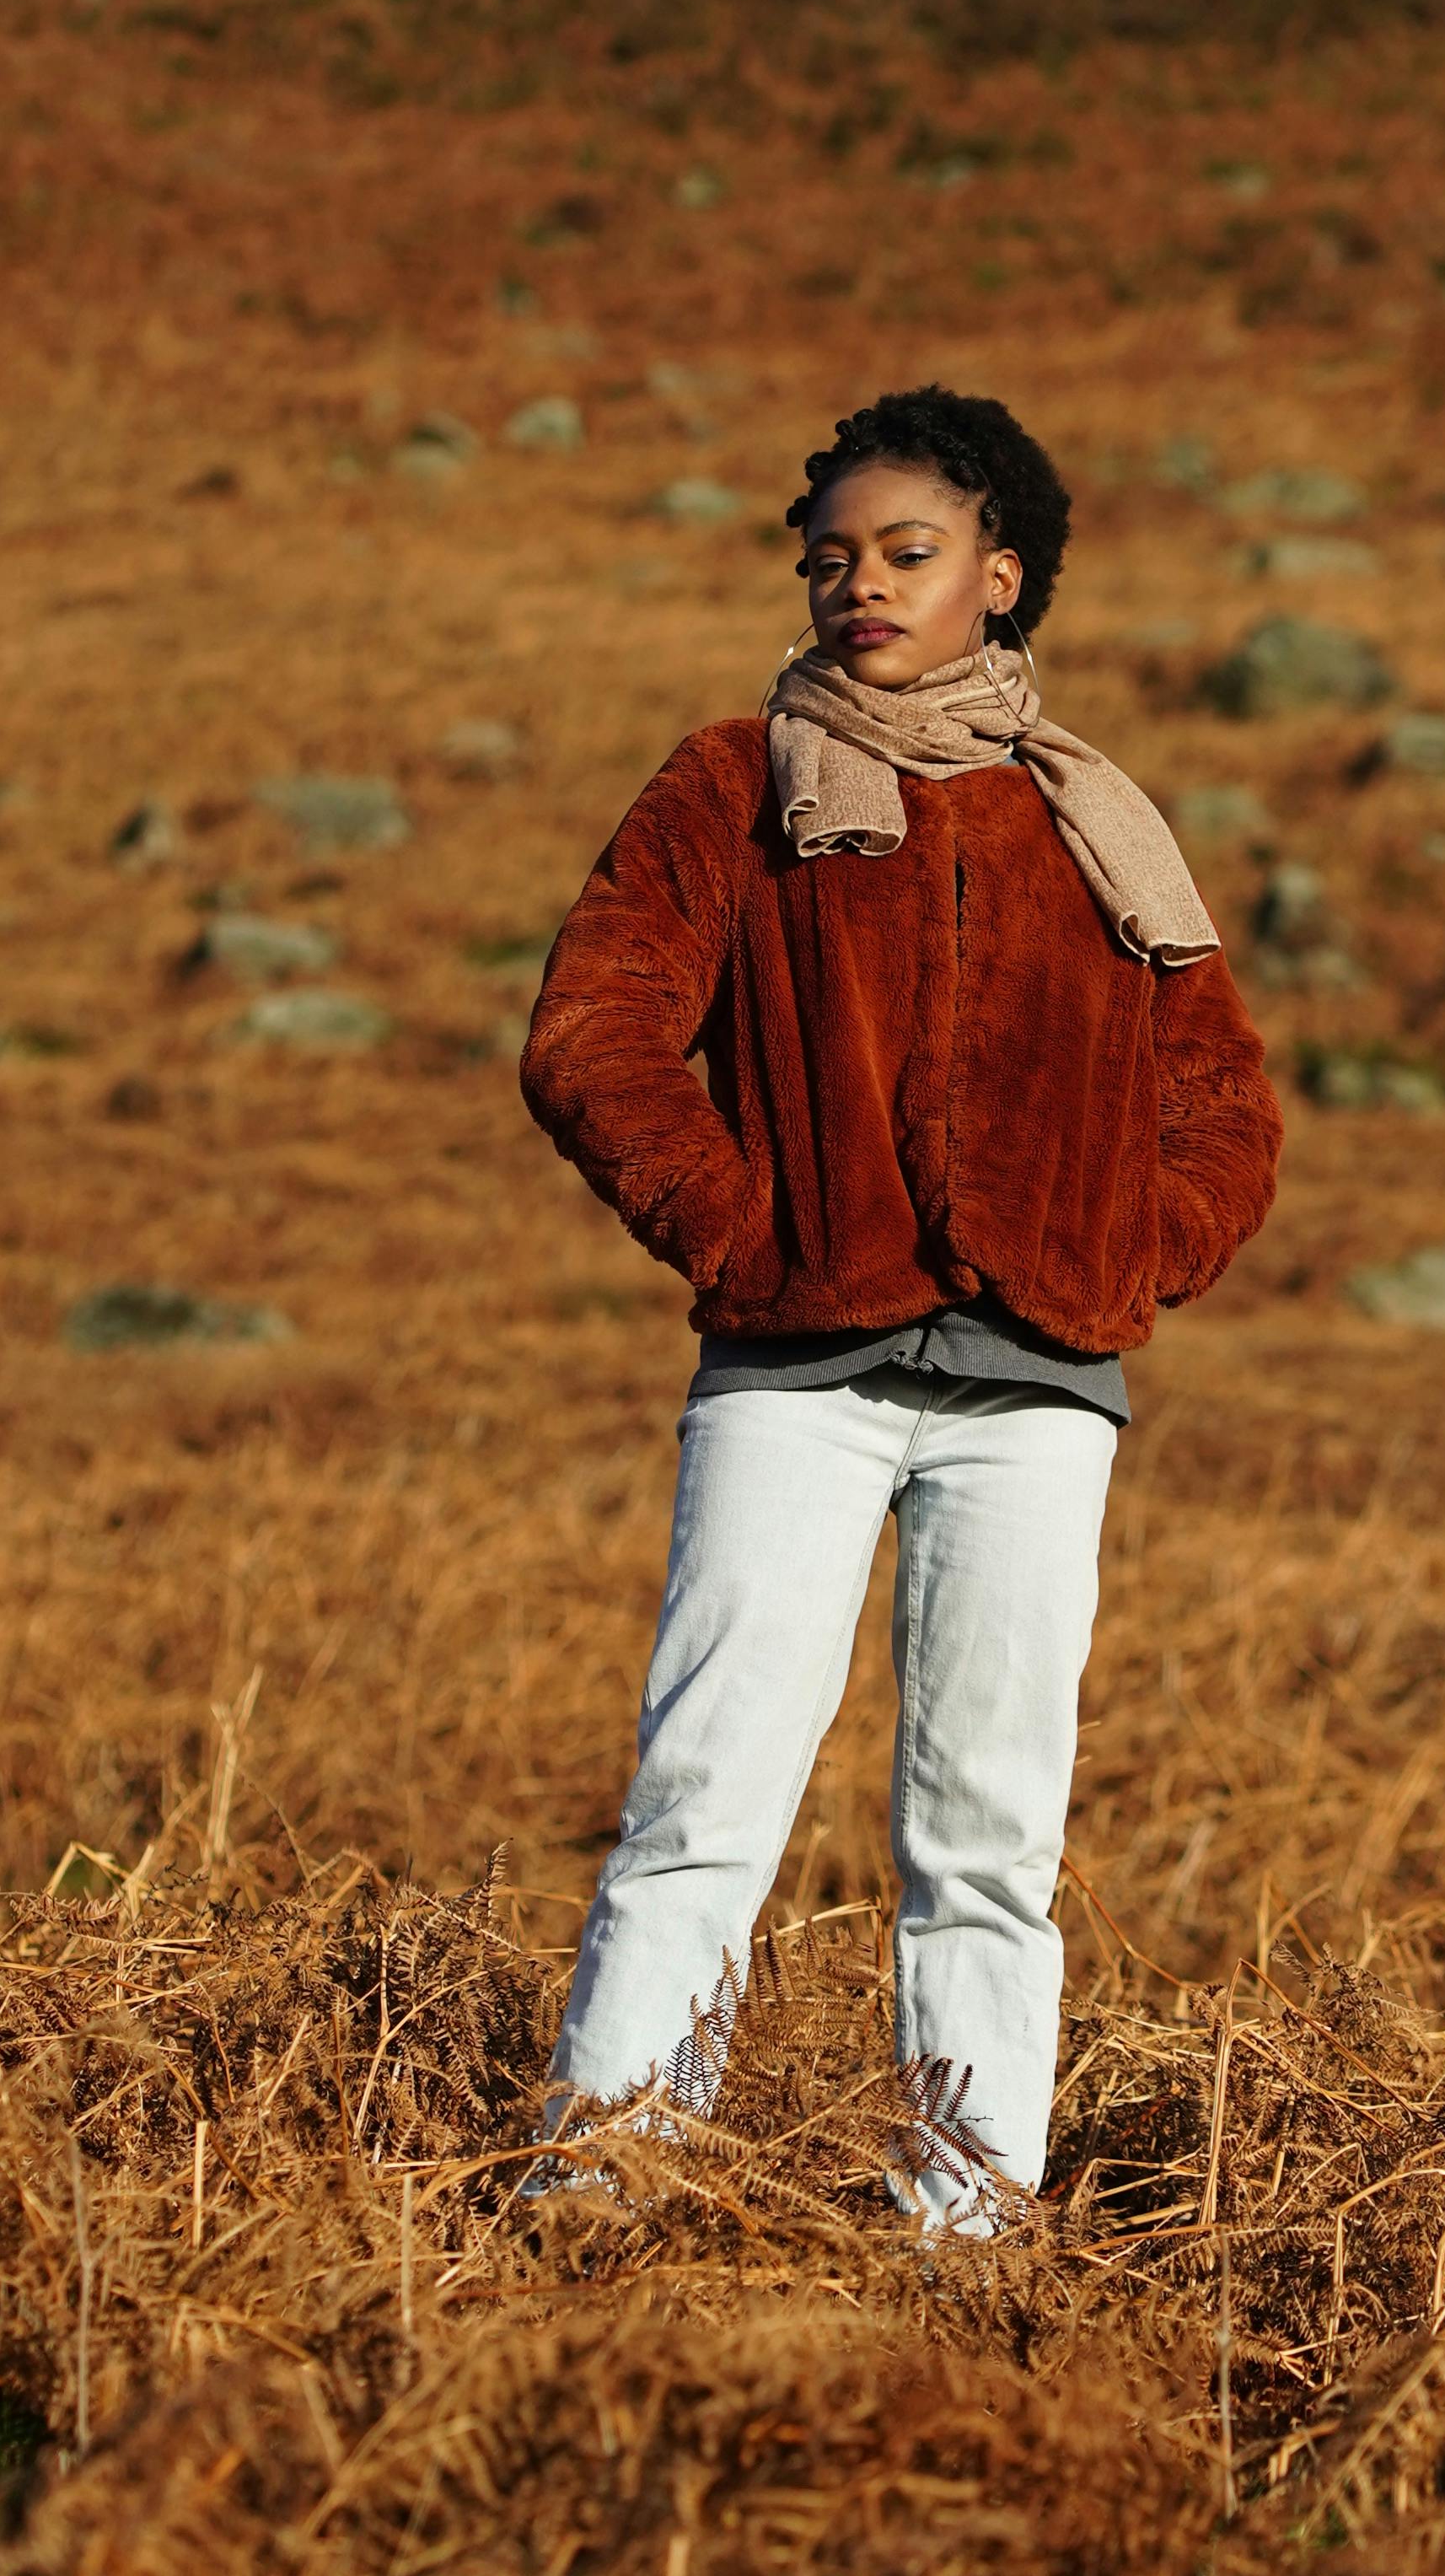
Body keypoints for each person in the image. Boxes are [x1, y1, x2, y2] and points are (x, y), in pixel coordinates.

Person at [519, 385, 1282, 2226]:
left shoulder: (1095, 817)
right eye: (830, 558)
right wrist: (744, 1231)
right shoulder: (730, 785)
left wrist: (1121, 1252)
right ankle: (602, 2189)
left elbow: (1226, 1104)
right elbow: (592, 1038)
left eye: (906, 553)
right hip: (795, 1370)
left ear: (999, 579)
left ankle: (961, 2231)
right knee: (702, 1806)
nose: (858, 584)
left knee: (988, 1843)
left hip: (1039, 1391)